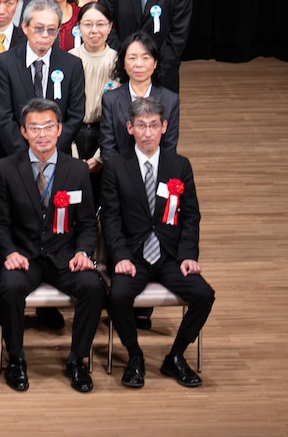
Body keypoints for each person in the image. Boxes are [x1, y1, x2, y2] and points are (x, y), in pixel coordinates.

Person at [0, 98, 104, 392]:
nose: (42, 133)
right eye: (35, 127)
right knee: (10, 287)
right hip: (24, 256)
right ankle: (15, 359)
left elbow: (88, 223)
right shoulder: (5, 168)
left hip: (63, 256)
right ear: (23, 132)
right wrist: (9, 252)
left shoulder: (77, 171)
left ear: (59, 130)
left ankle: (77, 360)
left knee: (93, 286)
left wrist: (83, 252)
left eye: (48, 127)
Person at [100, 97, 213, 388]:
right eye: (141, 126)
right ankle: (134, 355)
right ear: (130, 128)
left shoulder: (180, 165)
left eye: (153, 125)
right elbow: (111, 219)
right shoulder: (115, 167)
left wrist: (188, 254)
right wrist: (121, 256)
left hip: (169, 257)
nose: (147, 133)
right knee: (117, 297)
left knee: (204, 294)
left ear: (164, 127)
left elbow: (191, 216)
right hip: (133, 257)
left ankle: (175, 357)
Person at [0, 0, 87, 158]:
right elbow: (4, 116)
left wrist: (51, 151)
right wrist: (27, 155)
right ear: (25, 27)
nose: (45, 35)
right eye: (39, 29)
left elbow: (75, 115)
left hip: (58, 155)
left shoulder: (72, 64)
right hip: (15, 157)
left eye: (51, 30)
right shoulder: (6, 63)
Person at [100, 35, 182, 157]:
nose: (139, 64)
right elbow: (107, 147)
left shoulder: (170, 100)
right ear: (123, 63)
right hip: (119, 172)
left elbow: (169, 146)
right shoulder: (110, 100)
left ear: (155, 63)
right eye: (132, 58)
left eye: (145, 58)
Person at [68, 7, 118, 162]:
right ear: (78, 27)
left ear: (110, 27)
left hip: (106, 132)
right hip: (74, 132)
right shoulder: (69, 58)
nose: (94, 31)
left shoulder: (118, 61)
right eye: (88, 24)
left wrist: (99, 158)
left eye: (101, 24)